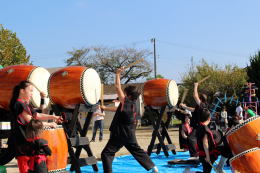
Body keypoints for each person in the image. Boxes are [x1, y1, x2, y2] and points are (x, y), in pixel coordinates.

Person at [101, 67, 158, 173]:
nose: (123, 94)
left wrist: (118, 74)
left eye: (125, 93)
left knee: (106, 154)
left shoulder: (125, 102)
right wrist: (106, 108)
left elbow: (117, 86)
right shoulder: (133, 106)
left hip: (120, 134)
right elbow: (118, 110)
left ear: (128, 95)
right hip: (130, 134)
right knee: (138, 151)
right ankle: (154, 168)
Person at [9, 80, 61, 173]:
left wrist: (53, 117)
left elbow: (37, 115)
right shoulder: (18, 104)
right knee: (25, 169)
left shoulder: (25, 104)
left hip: (28, 142)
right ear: (22, 91)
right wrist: (50, 124)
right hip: (22, 142)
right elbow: (32, 122)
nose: (32, 93)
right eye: (31, 90)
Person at [179, 82, 208, 158]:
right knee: (197, 140)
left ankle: (194, 155)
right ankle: (199, 154)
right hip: (198, 126)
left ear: (201, 99)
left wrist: (196, 86)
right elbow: (193, 110)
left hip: (199, 126)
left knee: (190, 139)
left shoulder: (202, 105)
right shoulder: (201, 106)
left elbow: (195, 96)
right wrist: (184, 107)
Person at [196, 108, 229, 173]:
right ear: (209, 118)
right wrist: (207, 157)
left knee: (226, 149)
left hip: (205, 153)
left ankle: (219, 167)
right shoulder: (205, 128)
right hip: (208, 154)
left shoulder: (199, 126)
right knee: (227, 149)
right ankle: (188, 171)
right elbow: (205, 143)